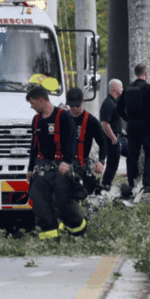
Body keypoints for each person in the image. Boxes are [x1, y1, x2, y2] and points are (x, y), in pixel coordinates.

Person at [26, 86, 87, 240]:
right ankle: (51, 240)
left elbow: (72, 140)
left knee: (64, 203)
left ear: (41, 99)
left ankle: (78, 232)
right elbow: (34, 146)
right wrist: (30, 169)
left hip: (61, 168)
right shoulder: (36, 120)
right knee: (39, 203)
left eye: (32, 103)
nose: (31, 106)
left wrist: (67, 161)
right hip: (42, 169)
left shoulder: (63, 116)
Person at [116, 64, 150, 194]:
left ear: (135, 73)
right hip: (147, 127)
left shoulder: (128, 89)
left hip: (132, 126)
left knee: (132, 155)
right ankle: (147, 185)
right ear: (145, 73)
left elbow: (119, 108)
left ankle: (132, 184)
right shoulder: (149, 88)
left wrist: (129, 119)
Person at [66, 87, 107, 194]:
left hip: (82, 164)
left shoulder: (91, 121)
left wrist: (101, 162)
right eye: (71, 106)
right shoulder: (62, 118)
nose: (74, 108)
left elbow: (103, 143)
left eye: (77, 105)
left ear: (83, 102)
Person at [100, 79, 126, 191]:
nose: (122, 89)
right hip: (112, 139)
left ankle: (133, 179)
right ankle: (105, 186)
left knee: (133, 153)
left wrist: (123, 132)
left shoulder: (114, 102)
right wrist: (114, 139)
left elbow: (114, 122)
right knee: (112, 164)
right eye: (121, 86)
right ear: (115, 89)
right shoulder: (108, 103)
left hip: (119, 138)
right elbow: (104, 124)